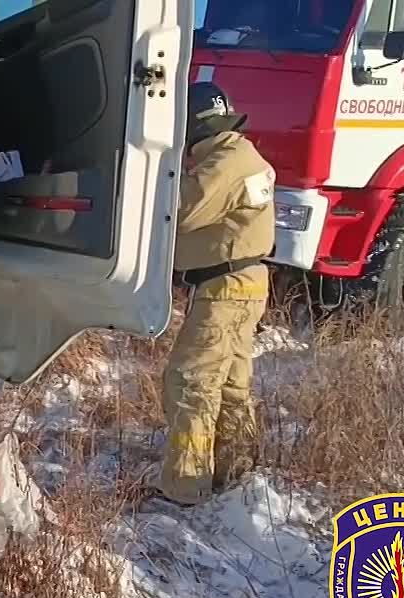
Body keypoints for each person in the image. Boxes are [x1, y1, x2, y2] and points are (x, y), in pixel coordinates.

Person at [156, 82, 274, 507]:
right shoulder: (242, 154)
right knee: (230, 384)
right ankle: (235, 470)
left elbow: (182, 212)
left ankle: (185, 486)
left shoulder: (223, 164)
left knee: (191, 382)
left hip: (225, 288)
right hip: (244, 282)